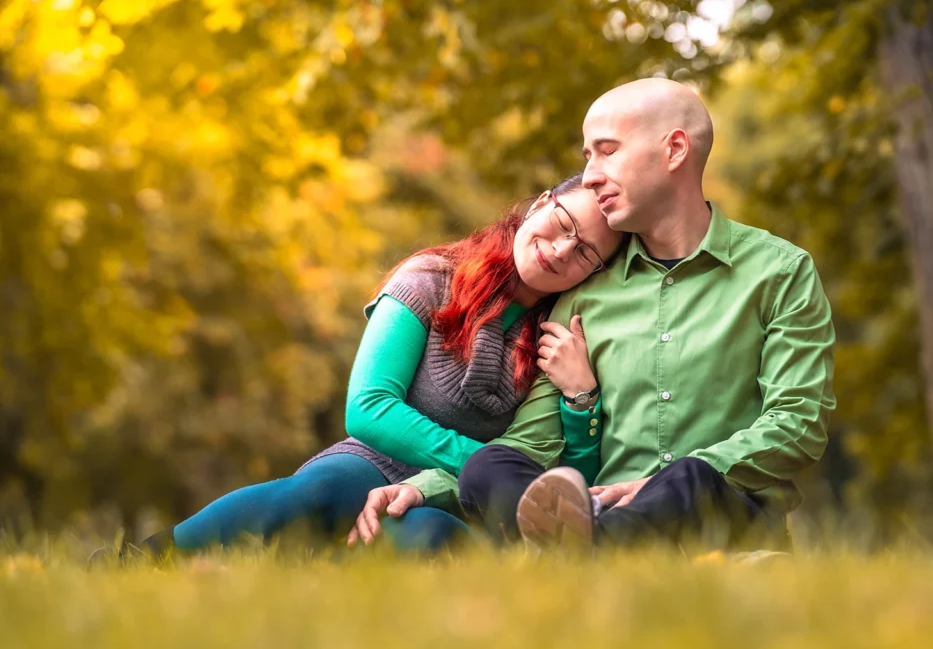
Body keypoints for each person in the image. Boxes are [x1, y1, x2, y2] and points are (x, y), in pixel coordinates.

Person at [352, 79, 835, 554]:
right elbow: (536, 442)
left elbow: (798, 422)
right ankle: (597, 549)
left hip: (722, 511)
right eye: (588, 158)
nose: (590, 176)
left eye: (607, 151)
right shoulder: (584, 294)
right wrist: (429, 485)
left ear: (674, 150)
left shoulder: (780, 271)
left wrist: (653, 485)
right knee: (489, 464)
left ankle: (584, 555)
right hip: (598, 513)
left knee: (689, 476)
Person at [90, 173, 622, 562]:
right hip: (370, 463)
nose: (559, 249)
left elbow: (562, 471)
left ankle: (325, 564)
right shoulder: (430, 278)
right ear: (538, 204)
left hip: (453, 498)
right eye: (562, 223)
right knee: (324, 491)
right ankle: (143, 560)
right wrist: (488, 466)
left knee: (434, 540)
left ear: (591, 273)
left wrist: (581, 402)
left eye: (584, 252)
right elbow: (367, 411)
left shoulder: (557, 337)